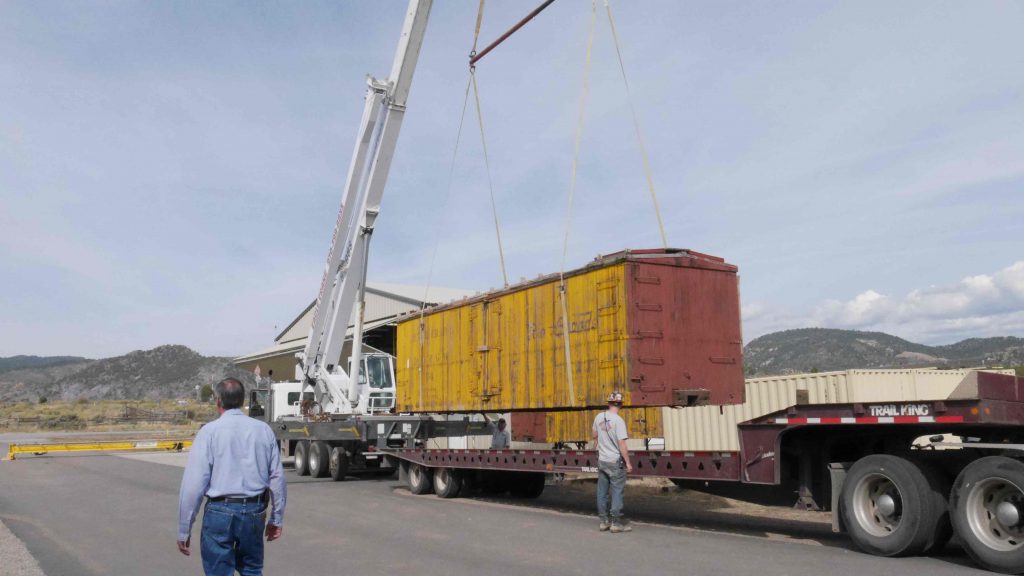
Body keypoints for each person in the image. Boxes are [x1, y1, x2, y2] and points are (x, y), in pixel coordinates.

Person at [178, 378, 287, 576]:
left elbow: (194, 485)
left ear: (217, 400)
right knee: (252, 570)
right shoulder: (263, 431)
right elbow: (277, 478)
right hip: (254, 511)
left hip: (219, 512)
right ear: (242, 399)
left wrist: (185, 528)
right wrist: (276, 518)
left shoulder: (209, 432)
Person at [592, 391, 633, 533]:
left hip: (602, 460)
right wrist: (628, 463)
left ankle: (603, 521)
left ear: (608, 403)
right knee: (617, 491)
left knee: (602, 492)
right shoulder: (618, 421)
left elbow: (595, 436)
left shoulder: (598, 417)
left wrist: (598, 448)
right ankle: (616, 523)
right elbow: (622, 444)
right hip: (615, 461)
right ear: (620, 404)